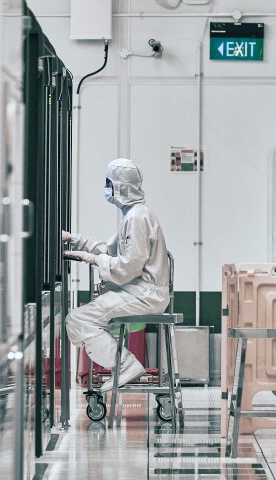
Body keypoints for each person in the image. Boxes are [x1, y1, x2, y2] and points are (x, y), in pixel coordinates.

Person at [63, 158, 169, 392]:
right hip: (140, 292)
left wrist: (95, 260)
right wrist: (73, 239)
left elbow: (129, 267)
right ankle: (121, 364)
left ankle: (124, 365)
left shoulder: (137, 217)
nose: (106, 188)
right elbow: (109, 249)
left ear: (120, 186)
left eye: (108, 183)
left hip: (144, 295)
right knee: (80, 319)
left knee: (78, 319)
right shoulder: (133, 214)